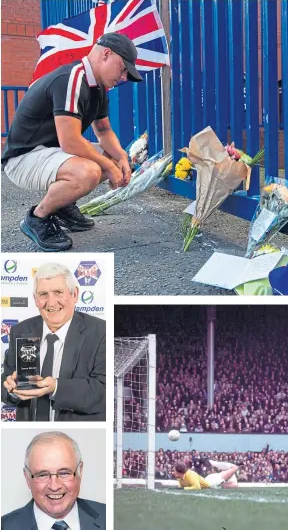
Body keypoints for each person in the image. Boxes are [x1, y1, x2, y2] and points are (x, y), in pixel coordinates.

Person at [1, 32, 143, 252]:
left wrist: (122, 157)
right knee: (89, 171)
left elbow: (104, 131)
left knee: (111, 158)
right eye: (123, 69)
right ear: (106, 54)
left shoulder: (98, 89)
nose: (124, 77)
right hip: (23, 158)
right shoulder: (73, 77)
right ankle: (38, 217)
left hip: (49, 153)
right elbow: (70, 142)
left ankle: (63, 204)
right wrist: (108, 166)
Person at [1, 263, 106, 421]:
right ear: (35, 299)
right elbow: (5, 385)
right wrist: (11, 389)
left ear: (74, 294)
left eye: (58, 292)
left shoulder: (101, 331)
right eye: (43, 294)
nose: (51, 303)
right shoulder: (20, 331)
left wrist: (56, 387)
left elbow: (103, 391)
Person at [1, 431, 106, 530]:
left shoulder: (108, 516)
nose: (54, 486)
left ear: (80, 471)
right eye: (42, 475)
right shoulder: (5, 526)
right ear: (27, 478)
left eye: (64, 473)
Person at [173, 460, 238, 490]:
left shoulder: (190, 474)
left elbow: (197, 487)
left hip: (213, 481)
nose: (173, 472)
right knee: (234, 485)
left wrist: (184, 488)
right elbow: (181, 486)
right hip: (209, 482)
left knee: (234, 468)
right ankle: (229, 475)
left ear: (179, 472)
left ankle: (215, 463)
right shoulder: (180, 478)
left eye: (174, 471)